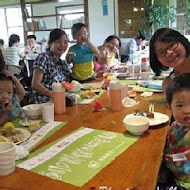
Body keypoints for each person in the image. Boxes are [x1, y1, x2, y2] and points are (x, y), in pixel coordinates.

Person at [164, 73, 190, 190]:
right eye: (180, 105)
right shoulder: (175, 126)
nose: (187, 110)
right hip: (173, 175)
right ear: (170, 108)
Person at [32, 29, 71, 103]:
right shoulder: (43, 57)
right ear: (50, 43)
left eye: (65, 42)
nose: (62, 45)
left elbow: (68, 82)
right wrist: (52, 94)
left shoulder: (62, 62)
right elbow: (35, 84)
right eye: (58, 42)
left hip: (59, 99)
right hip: (44, 102)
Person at [149, 28, 190, 93]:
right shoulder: (168, 84)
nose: (169, 53)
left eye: (172, 45)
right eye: (162, 52)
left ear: (182, 42)